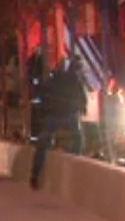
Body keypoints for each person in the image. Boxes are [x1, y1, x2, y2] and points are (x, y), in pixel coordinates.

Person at [30, 57, 87, 189]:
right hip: (68, 115)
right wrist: (80, 108)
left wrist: (44, 110)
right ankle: (76, 166)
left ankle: (35, 174)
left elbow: (43, 94)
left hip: (55, 115)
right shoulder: (75, 81)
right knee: (78, 138)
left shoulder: (55, 79)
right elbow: (82, 100)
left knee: (43, 142)